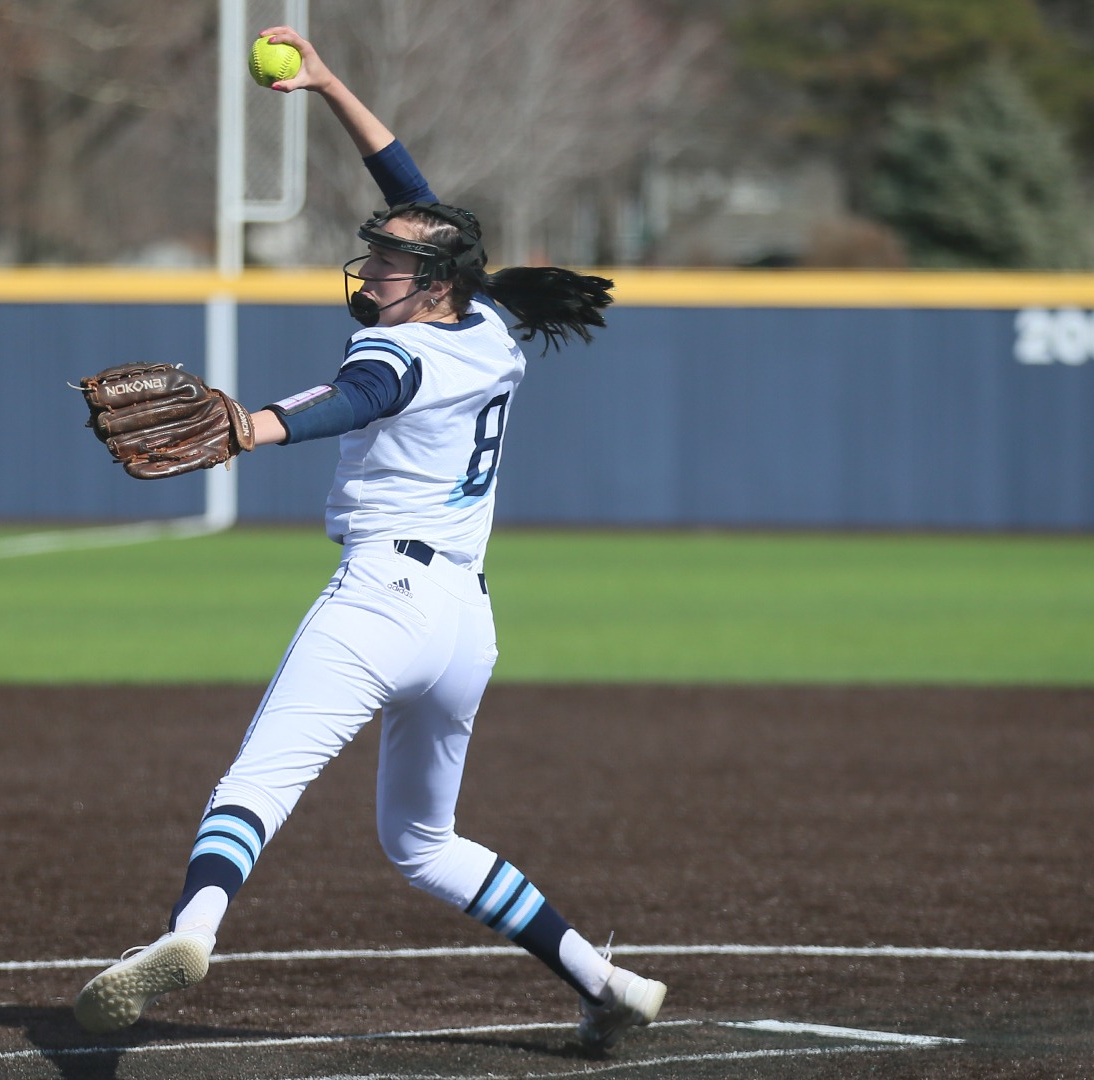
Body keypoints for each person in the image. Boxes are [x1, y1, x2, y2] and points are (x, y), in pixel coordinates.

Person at [73, 26, 665, 1052]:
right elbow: (417, 194)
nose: (374, 267)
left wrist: (256, 426)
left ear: (432, 284)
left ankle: (190, 933)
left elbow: (359, 396)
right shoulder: (487, 326)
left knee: (254, 785)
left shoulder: (398, 351)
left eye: (392, 262)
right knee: (422, 843)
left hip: (382, 604)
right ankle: (603, 980)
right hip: (464, 626)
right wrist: (331, 84)